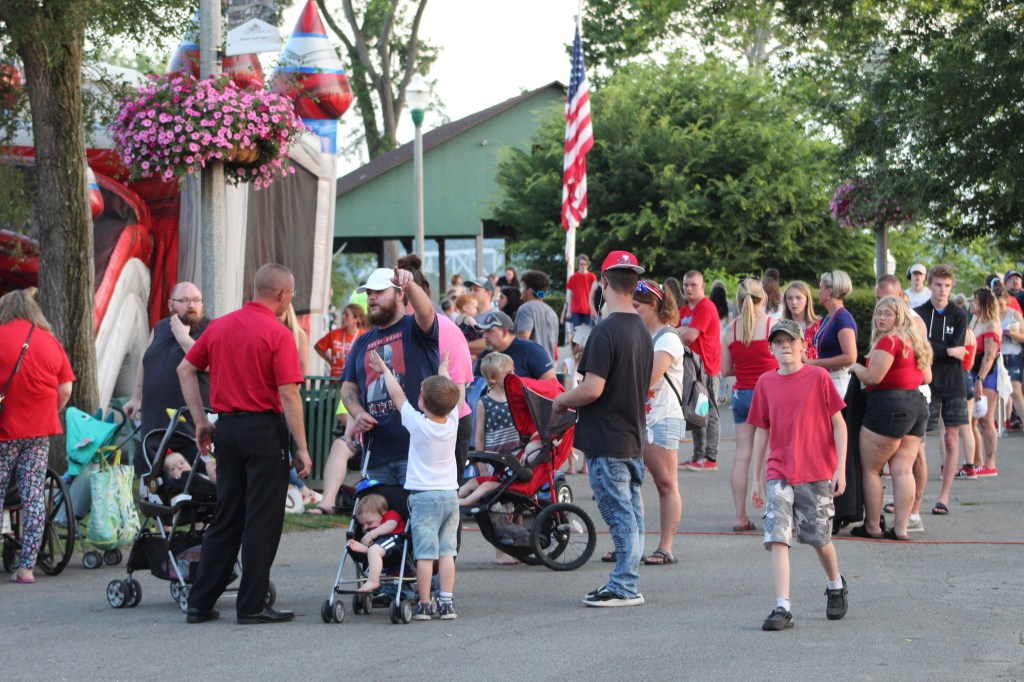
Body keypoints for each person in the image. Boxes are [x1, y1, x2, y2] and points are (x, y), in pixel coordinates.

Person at [178, 263, 311, 625]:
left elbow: (185, 370)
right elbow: (288, 393)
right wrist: (301, 445)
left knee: (227, 516)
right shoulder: (278, 332)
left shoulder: (220, 326)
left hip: (227, 430)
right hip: (263, 430)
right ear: (283, 295)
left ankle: (200, 601)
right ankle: (252, 604)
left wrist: (201, 421)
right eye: (291, 295)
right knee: (262, 519)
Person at [552, 250, 653, 607]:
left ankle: (625, 584)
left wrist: (563, 399)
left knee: (620, 514)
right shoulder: (641, 328)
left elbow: (593, 388)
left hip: (607, 439)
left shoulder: (606, 330)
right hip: (632, 437)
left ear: (604, 282)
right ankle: (627, 579)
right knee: (632, 513)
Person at [749, 319, 848, 631]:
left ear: (803, 346)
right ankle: (783, 606)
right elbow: (761, 431)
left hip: (816, 470)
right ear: (772, 349)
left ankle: (835, 583)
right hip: (779, 470)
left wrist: (840, 467)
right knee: (777, 535)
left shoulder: (818, 377)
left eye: (790, 341)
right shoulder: (765, 383)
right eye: (778, 342)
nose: (785, 347)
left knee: (818, 538)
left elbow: (839, 424)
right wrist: (757, 476)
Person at [368, 347, 461, 620]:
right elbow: (447, 387)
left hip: (423, 497)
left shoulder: (418, 424)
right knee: (447, 552)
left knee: (425, 554)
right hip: (449, 495)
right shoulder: (452, 421)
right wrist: (444, 367)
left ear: (422, 402)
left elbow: (397, 395)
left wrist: (385, 370)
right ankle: (446, 602)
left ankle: (423, 603)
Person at [0, 288, 75, 585]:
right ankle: (26, 568)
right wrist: (48, 411)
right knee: (33, 497)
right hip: (38, 431)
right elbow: (66, 389)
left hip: (4, 430)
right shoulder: (49, 341)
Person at [340, 266, 439, 486]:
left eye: (379, 291)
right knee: (379, 520)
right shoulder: (362, 341)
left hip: (416, 450)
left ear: (400, 294)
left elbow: (427, 313)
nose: (372, 297)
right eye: (368, 293)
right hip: (377, 453)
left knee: (416, 519)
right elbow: (348, 387)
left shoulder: (414, 328)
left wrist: (410, 283)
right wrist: (357, 413)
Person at [849, 296, 932, 540]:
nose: (881, 318)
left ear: (900, 317)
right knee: (903, 469)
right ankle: (901, 529)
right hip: (916, 405)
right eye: (879, 313)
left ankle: (873, 526)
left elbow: (873, 377)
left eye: (888, 314)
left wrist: (855, 367)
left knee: (872, 469)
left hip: (888, 405)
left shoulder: (889, 341)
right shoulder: (915, 340)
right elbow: (926, 377)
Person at [721, 277, 778, 532]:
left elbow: (724, 370)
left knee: (742, 456)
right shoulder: (772, 326)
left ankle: (740, 516)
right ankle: (773, 513)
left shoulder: (731, 330)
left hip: (742, 394)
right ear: (762, 298)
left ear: (739, 299)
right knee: (770, 454)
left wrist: (745, 367)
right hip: (768, 394)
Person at [632, 279, 683, 565]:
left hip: (662, 418)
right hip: (640, 418)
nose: (633, 310)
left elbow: (649, 377)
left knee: (665, 483)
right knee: (630, 483)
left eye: (637, 306)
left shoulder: (668, 337)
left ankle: (666, 546)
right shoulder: (642, 334)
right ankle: (632, 543)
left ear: (653, 305)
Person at [915, 264, 968, 516]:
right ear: (930, 285)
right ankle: (914, 496)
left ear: (952, 286)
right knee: (918, 441)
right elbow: (919, 348)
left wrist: (938, 349)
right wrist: (945, 350)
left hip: (954, 384)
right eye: (937, 285)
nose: (942, 290)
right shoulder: (918, 314)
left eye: (947, 286)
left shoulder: (959, 315)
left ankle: (943, 497)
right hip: (926, 382)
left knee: (951, 438)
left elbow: (959, 348)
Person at [124, 281, 209, 437]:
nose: (191, 305)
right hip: (154, 421)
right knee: (149, 460)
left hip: (189, 426)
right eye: (184, 300)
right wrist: (136, 397)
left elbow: (209, 364)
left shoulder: (211, 329)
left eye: (196, 300)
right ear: (171, 305)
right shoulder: (160, 328)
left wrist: (183, 337)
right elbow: (146, 361)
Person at [678, 270, 722, 472]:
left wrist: (680, 332)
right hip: (692, 370)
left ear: (702, 286)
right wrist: (680, 332)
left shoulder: (706, 307)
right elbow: (674, 331)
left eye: (693, 285)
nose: (688, 289)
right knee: (695, 411)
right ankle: (698, 455)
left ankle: (710, 457)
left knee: (709, 411)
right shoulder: (685, 310)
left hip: (708, 368)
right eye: (686, 285)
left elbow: (689, 337)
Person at [807, 270, 858, 398]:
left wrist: (814, 363)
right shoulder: (829, 317)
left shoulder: (843, 318)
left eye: (820, 287)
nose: (818, 291)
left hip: (838, 381)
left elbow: (850, 357)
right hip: (827, 379)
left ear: (829, 291)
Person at [968, 288, 1001, 479]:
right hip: (974, 373)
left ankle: (990, 464)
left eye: (974, 301)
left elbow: (989, 356)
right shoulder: (976, 321)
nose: (971, 304)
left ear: (983, 304)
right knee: (972, 421)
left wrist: (980, 379)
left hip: (987, 375)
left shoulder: (991, 325)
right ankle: (977, 461)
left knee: (986, 419)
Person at [347, 493, 406, 593]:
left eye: (369, 523)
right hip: (383, 546)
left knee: (374, 549)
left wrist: (371, 534)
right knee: (374, 549)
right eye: (362, 525)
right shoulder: (375, 534)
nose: (365, 528)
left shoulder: (390, 514)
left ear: (382, 513)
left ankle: (373, 581)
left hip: (396, 540)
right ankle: (368, 550)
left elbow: (390, 525)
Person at [475, 311, 556, 381]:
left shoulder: (531, 350)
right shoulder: (485, 355)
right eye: (484, 331)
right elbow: (475, 390)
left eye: (489, 331)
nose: (484, 336)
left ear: (504, 332)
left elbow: (551, 385)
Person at [515, 269, 560, 363]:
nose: (522, 290)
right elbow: (555, 347)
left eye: (523, 286)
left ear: (529, 291)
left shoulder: (526, 309)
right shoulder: (552, 313)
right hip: (548, 368)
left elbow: (523, 337)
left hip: (530, 367)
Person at [314, 303, 366, 378]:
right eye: (343, 314)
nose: (342, 317)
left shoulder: (363, 336)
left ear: (356, 319)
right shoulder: (335, 333)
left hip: (354, 382)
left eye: (347, 315)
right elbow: (318, 347)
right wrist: (330, 361)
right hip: (335, 381)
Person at [782, 281, 820, 359]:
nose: (794, 302)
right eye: (790, 298)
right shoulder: (780, 326)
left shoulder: (819, 325)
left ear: (807, 300)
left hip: (814, 370)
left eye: (798, 298)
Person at [564, 254, 598, 330]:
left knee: (587, 334)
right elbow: (570, 295)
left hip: (588, 310)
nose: (583, 266)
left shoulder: (592, 277)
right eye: (581, 264)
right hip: (576, 310)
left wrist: (594, 309)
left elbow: (594, 295)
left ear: (587, 264)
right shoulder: (573, 278)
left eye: (585, 264)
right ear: (578, 265)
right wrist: (568, 311)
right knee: (576, 334)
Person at [278, 303, 309, 376]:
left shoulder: (299, 335)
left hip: (293, 382)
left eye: (279, 312)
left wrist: (306, 386)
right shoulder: (270, 333)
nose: (276, 316)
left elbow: (304, 365)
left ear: (288, 312)